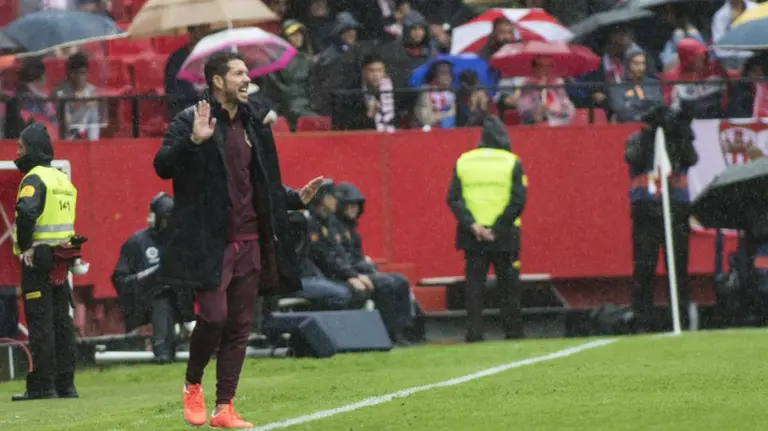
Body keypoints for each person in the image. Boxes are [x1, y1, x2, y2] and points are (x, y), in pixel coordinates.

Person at [154, 50, 324, 428]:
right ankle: (192, 384)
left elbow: (259, 181)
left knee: (240, 325)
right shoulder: (190, 120)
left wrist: (294, 198)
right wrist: (194, 142)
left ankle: (224, 407)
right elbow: (162, 165)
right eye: (238, 73)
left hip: (251, 238)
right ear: (217, 80)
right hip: (209, 241)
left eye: (247, 72)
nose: (247, 79)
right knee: (214, 317)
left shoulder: (253, 125)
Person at [11, 123, 79, 401]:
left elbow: (26, 214)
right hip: (62, 259)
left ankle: (42, 385)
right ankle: (66, 384)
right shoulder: (62, 179)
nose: (17, 153)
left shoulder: (33, 179)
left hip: (37, 259)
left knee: (41, 324)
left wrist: (26, 247)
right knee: (63, 323)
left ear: (33, 149)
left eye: (21, 147)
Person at [446, 116, 527, 343]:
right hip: (505, 236)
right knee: (508, 287)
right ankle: (513, 332)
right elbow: (518, 201)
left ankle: (474, 333)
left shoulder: (464, 161)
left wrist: (474, 226)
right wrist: (497, 229)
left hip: (472, 237)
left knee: (474, 288)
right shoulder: (512, 162)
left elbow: (453, 198)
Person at [306, 180, 413, 345]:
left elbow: (340, 256)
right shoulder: (316, 225)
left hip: (345, 273)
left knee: (399, 280)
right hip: (329, 277)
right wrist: (353, 275)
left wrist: (361, 271)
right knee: (384, 284)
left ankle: (403, 330)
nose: (335, 201)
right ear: (323, 199)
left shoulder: (330, 225)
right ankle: (388, 333)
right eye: (332, 197)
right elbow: (326, 258)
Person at [624, 105, 698, 333]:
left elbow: (691, 159)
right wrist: (650, 134)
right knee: (644, 266)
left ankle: (680, 318)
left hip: (675, 207)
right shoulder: (637, 138)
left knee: (677, 267)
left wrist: (680, 131)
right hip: (646, 208)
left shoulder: (678, 137)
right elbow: (633, 160)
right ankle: (641, 319)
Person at [111, 193, 195, 364]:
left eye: (152, 214)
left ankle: (209, 339)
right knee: (162, 292)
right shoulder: (137, 242)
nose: (148, 217)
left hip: (184, 299)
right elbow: (120, 281)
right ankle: (163, 349)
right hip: (146, 302)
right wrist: (152, 276)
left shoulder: (182, 241)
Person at [333, 181, 415, 313]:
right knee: (386, 283)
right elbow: (341, 260)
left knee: (401, 281)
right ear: (341, 205)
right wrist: (362, 268)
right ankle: (389, 329)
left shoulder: (353, 231)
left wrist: (367, 266)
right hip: (347, 275)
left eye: (357, 205)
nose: (355, 208)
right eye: (350, 205)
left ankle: (405, 328)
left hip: (359, 271)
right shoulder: (334, 228)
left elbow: (356, 257)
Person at [289, 210, 357, 311]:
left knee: (346, 291)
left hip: (307, 276)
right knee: (342, 294)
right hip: (293, 282)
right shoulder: (294, 222)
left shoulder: (316, 222)